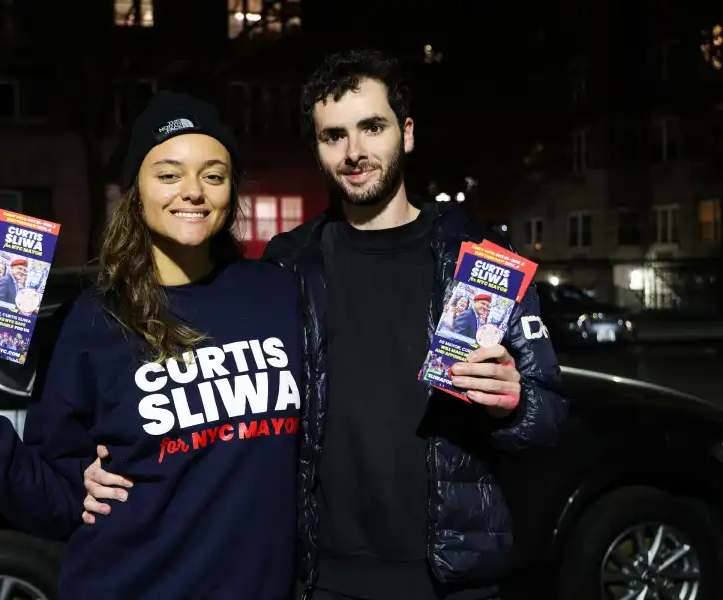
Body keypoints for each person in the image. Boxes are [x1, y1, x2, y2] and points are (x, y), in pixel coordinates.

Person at [82, 50, 568, 600]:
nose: (355, 151)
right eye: (333, 135)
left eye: (372, 127)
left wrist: (514, 404)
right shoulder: (287, 265)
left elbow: (549, 416)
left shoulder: (480, 258)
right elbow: (212, 389)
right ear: (316, 149)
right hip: (323, 580)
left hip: (454, 581)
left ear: (405, 134)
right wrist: (95, 466)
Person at [0, 91, 303, 600]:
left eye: (213, 175)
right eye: (169, 174)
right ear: (136, 191)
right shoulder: (89, 322)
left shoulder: (278, 295)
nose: (193, 192)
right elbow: (58, 504)